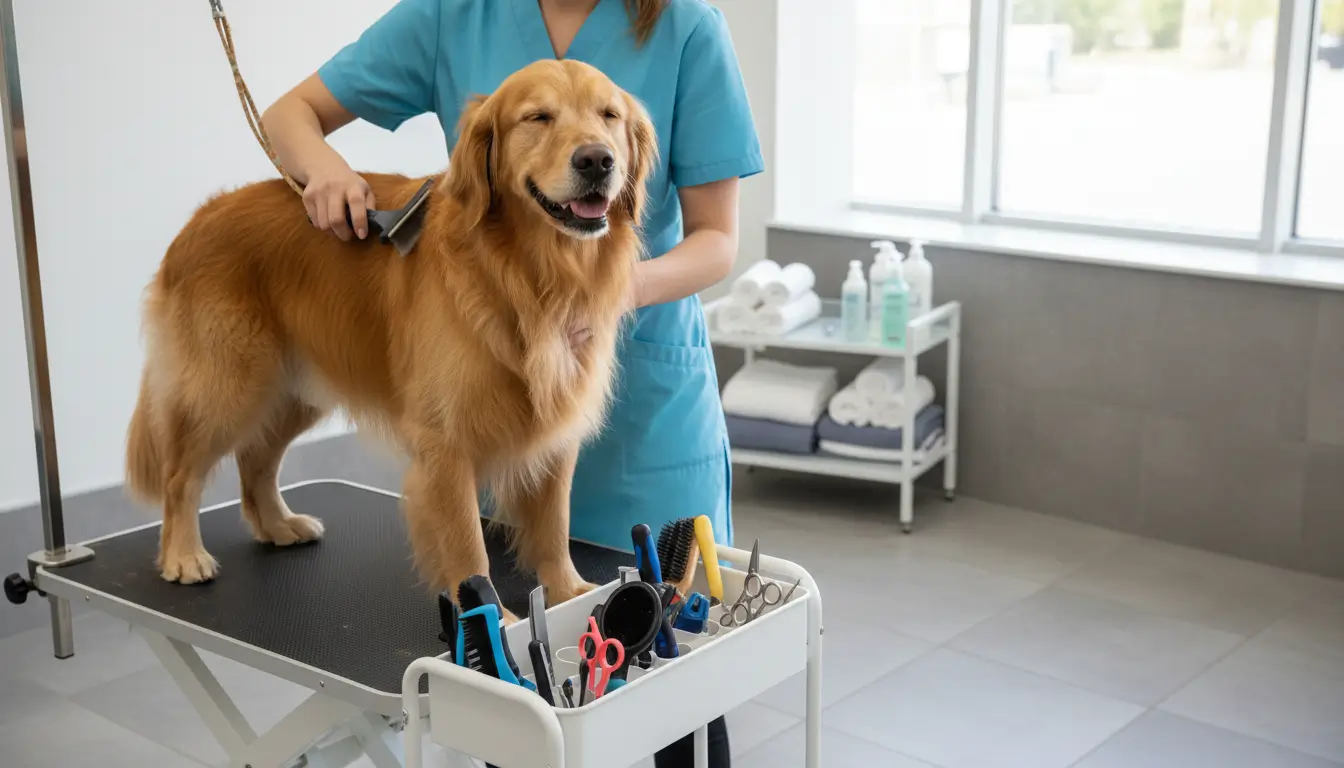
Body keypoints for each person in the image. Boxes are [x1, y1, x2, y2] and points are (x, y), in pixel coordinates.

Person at [261, 0, 762, 764]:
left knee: (675, 714)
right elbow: (291, 114)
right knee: (522, 717)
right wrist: (326, 170)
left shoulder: (686, 24)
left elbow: (718, 239)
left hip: (649, 425)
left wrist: (610, 294)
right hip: (499, 407)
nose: (588, 147)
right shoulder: (450, 15)